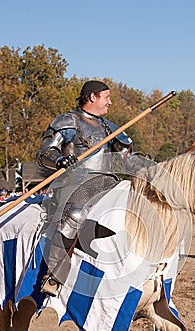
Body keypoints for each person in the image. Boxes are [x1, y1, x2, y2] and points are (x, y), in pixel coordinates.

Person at [37, 80, 148, 296]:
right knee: (75, 214)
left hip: (107, 182)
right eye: (106, 97)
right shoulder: (68, 121)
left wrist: (142, 165)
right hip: (76, 182)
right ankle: (54, 275)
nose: (110, 102)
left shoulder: (109, 127)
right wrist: (60, 160)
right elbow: (44, 153)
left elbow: (125, 157)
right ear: (92, 97)